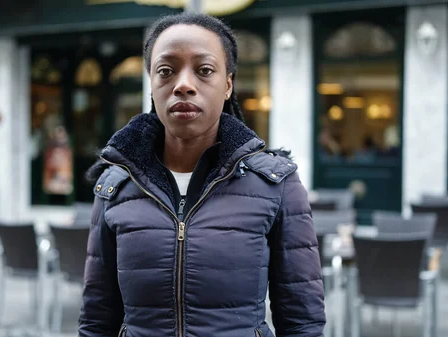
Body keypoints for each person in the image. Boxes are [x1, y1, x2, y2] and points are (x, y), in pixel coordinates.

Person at [79, 12, 325, 337]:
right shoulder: (115, 185)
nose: (183, 85)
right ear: (152, 84)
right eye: (165, 71)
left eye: (204, 70)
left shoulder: (276, 184)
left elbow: (302, 322)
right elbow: (97, 319)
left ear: (227, 84)